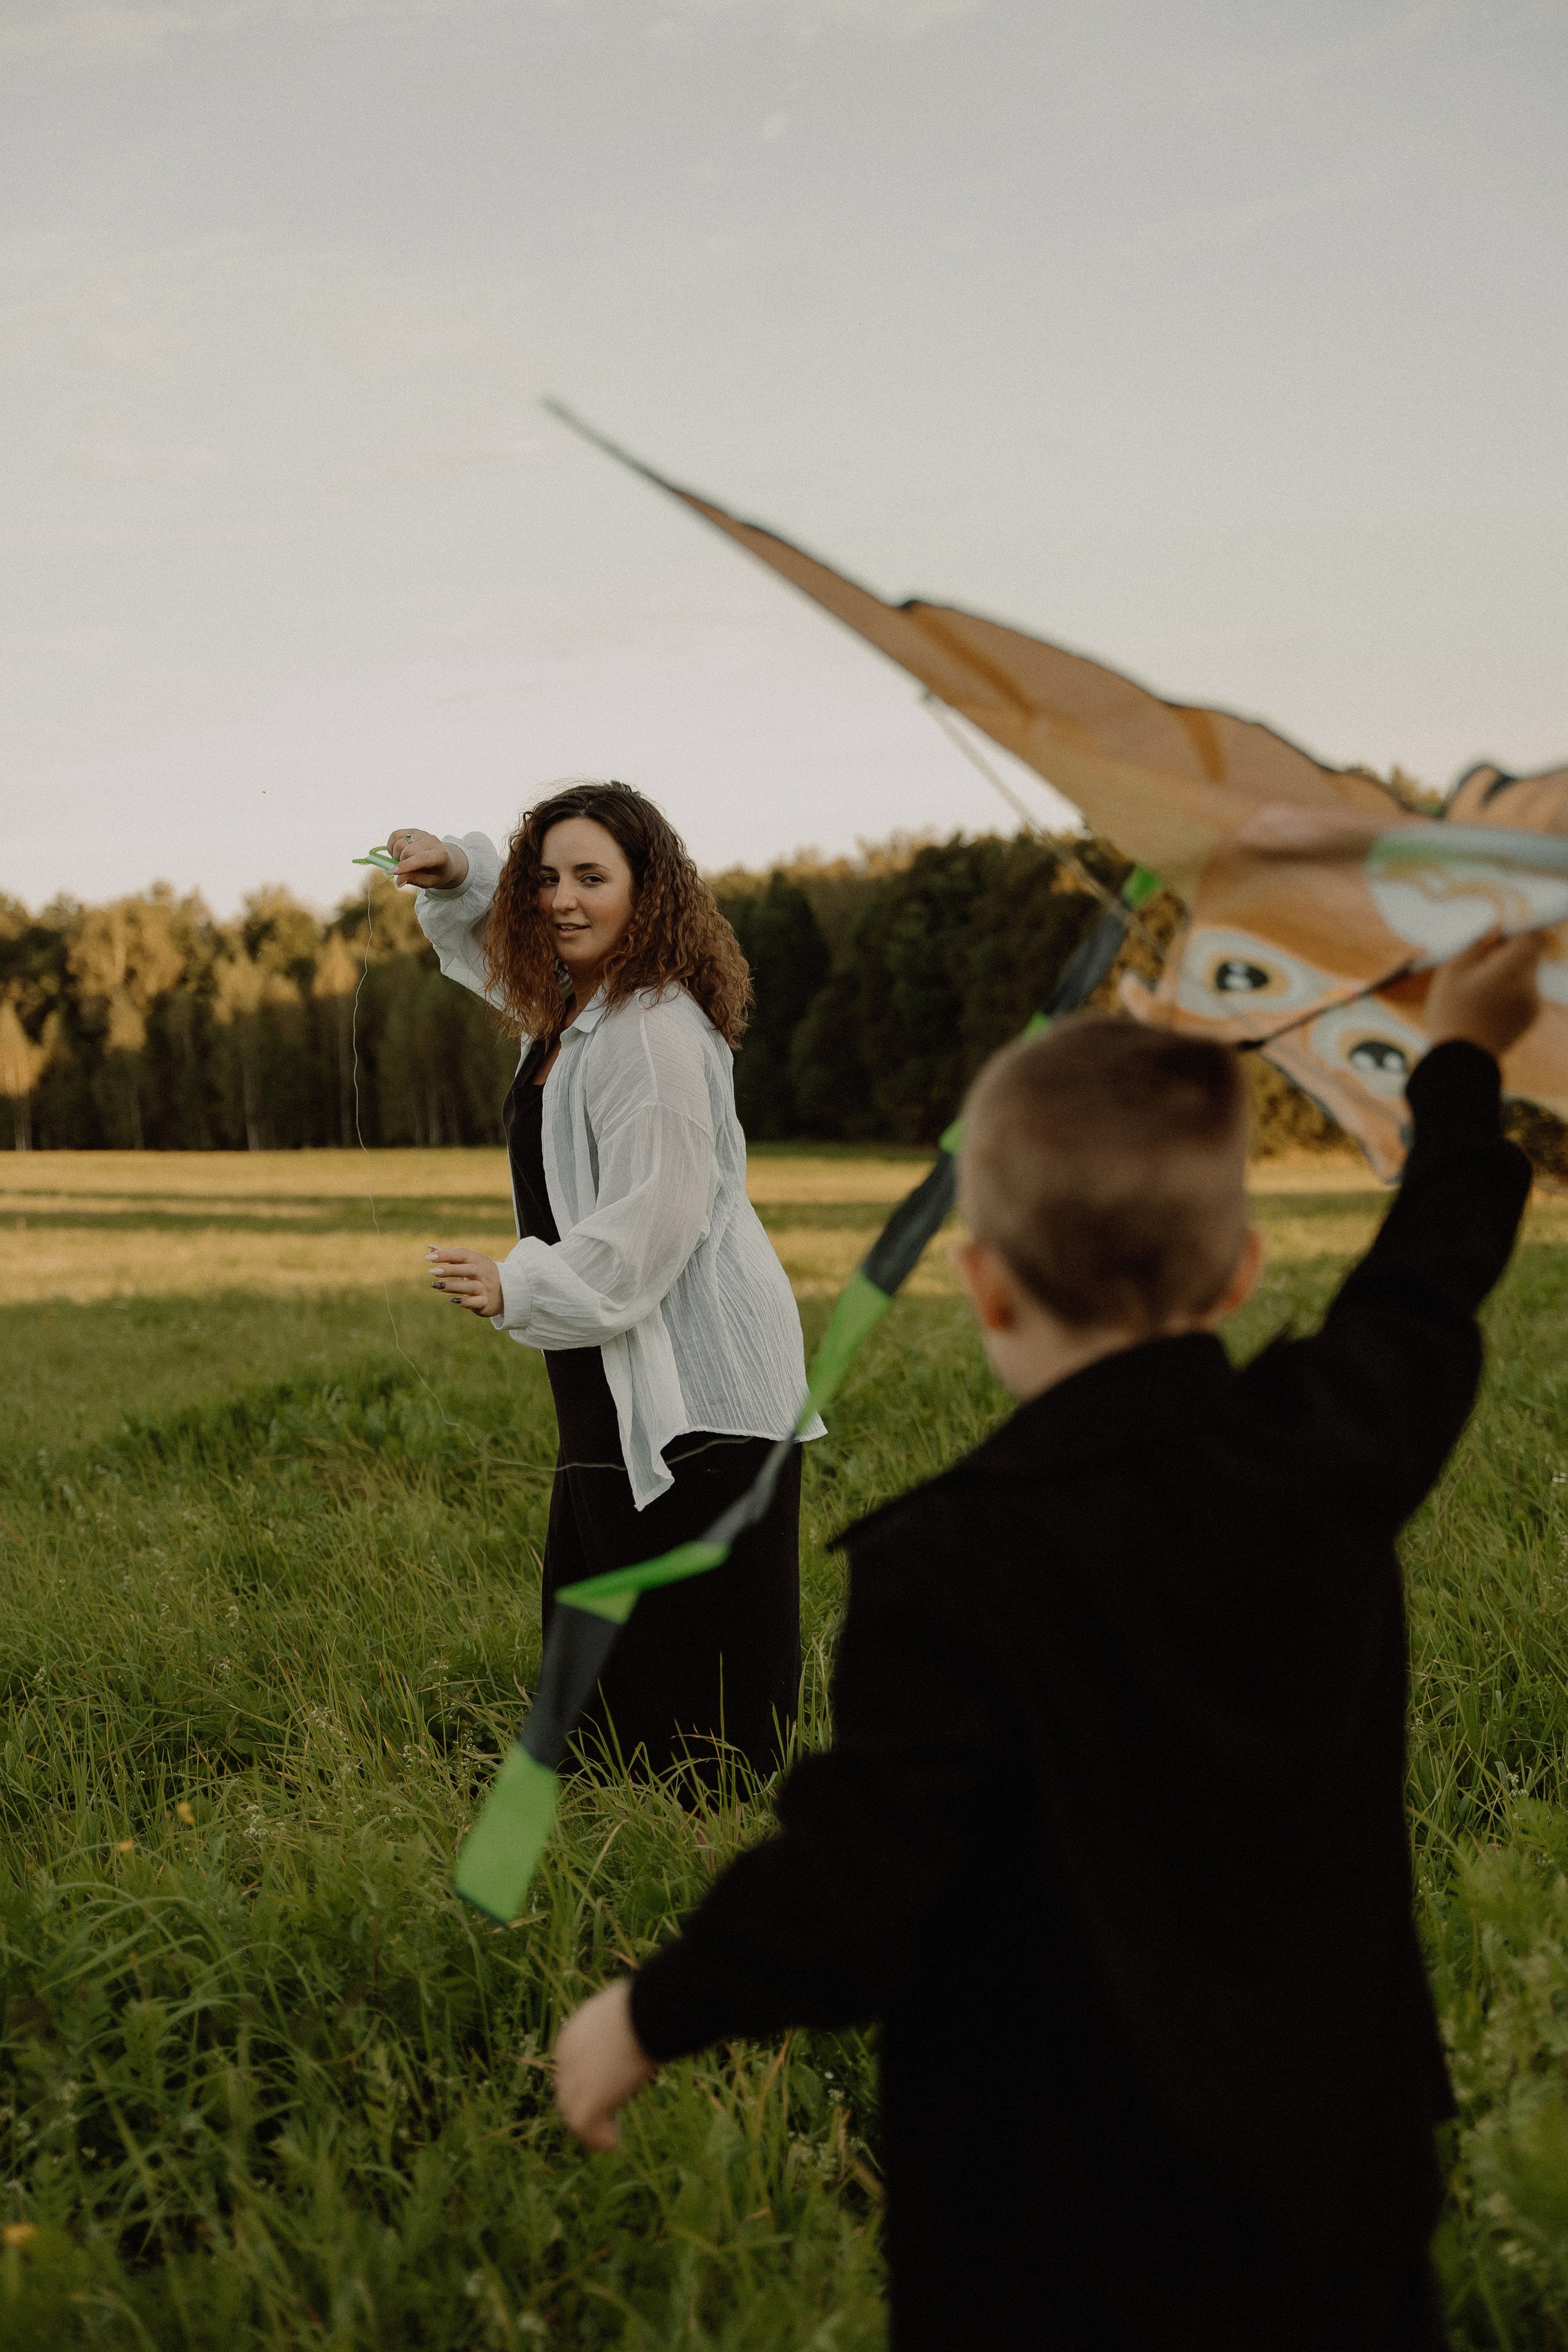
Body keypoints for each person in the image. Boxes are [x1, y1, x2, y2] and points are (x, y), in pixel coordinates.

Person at [551, 929, 1547, 2351]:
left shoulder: (942, 1566)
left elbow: (857, 1875)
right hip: (1332, 2179)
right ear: (1243, 1269)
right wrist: (1457, 1057)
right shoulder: (1330, 1448)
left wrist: (652, 2010)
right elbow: (1429, 1270)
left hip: (1048, 2231)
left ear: (985, 1286)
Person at [386, 780, 821, 1782]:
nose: (563, 900)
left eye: (593, 878)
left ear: (650, 894)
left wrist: (518, 1287)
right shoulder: (579, 1009)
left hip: (699, 1391)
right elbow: (503, 938)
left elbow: (652, 1223)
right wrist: (459, 868)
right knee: (608, 1655)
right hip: (614, 1357)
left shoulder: (651, 1035)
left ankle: (718, 1868)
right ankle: (620, 1836)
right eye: (546, 879)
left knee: (706, 1705)